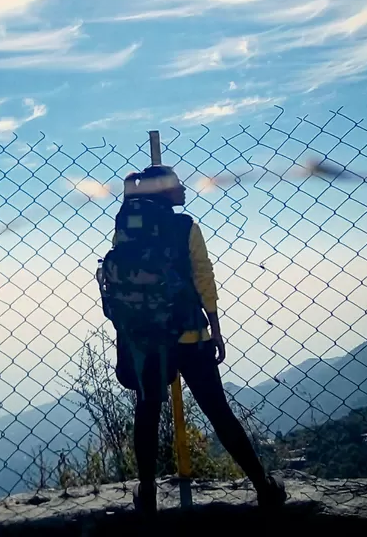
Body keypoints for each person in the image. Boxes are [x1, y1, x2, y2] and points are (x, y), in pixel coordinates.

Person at [97, 164, 286, 514]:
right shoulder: (185, 226)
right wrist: (215, 326)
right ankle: (263, 486)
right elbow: (203, 277)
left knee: (147, 410)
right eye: (177, 184)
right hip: (188, 334)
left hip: (147, 338)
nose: (183, 189)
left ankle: (147, 493)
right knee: (217, 410)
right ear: (163, 189)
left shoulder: (125, 226)